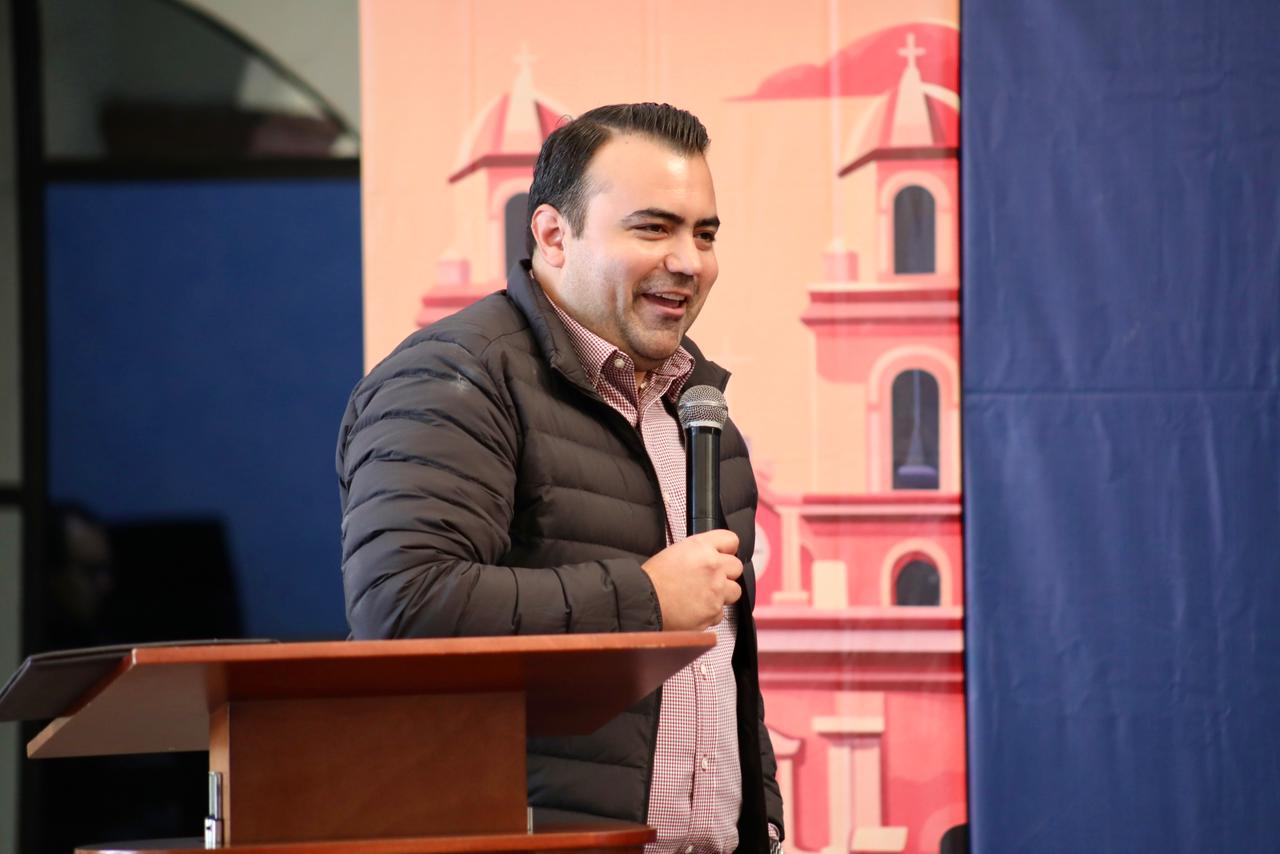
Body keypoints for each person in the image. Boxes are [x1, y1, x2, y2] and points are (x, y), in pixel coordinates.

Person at [337, 103, 784, 854]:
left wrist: (758, 819)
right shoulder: (455, 377)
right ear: (552, 235)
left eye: (705, 234)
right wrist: (646, 598)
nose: (689, 261)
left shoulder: (700, 412)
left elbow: (720, 665)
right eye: (654, 228)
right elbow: (402, 606)